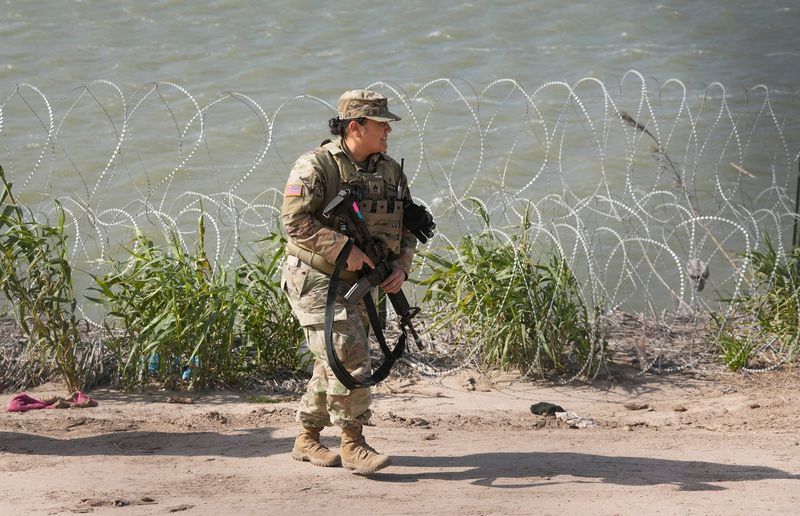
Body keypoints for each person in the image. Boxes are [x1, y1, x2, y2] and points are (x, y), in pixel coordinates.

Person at [280, 90, 417, 475]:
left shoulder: (389, 171)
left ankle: (306, 438)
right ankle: (353, 443)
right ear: (355, 126)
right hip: (316, 279)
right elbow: (294, 223)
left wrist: (400, 267)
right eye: (380, 123)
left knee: (332, 361)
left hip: (361, 281)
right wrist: (343, 247)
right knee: (349, 355)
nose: (388, 129)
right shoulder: (316, 166)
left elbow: (409, 225)